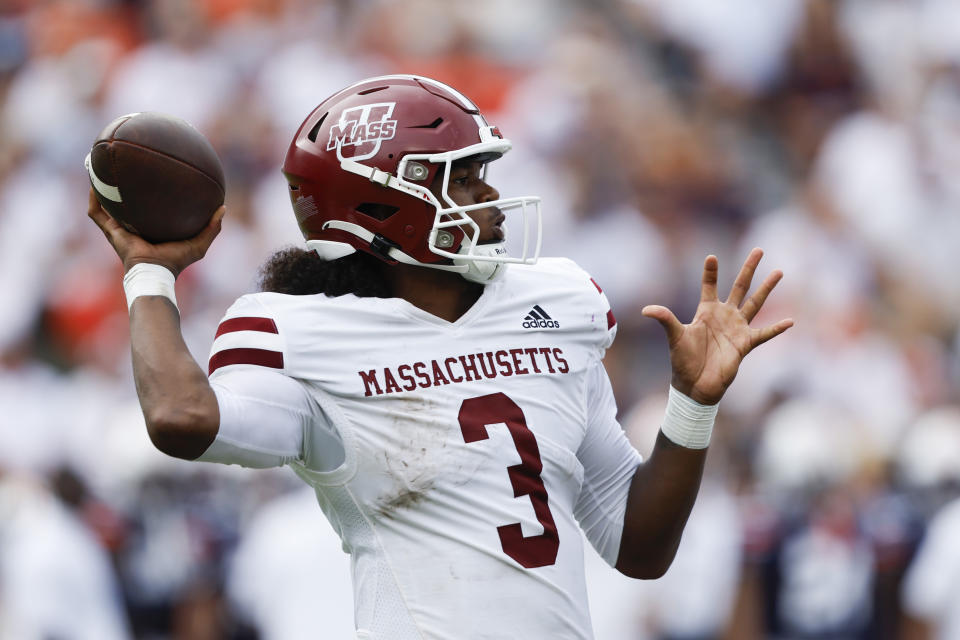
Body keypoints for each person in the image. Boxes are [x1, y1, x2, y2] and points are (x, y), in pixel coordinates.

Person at [86, 74, 792, 639]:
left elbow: (637, 546)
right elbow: (181, 417)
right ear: (383, 203)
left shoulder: (557, 303)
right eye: (464, 178)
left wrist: (692, 406)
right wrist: (149, 273)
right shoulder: (299, 330)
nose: (490, 197)